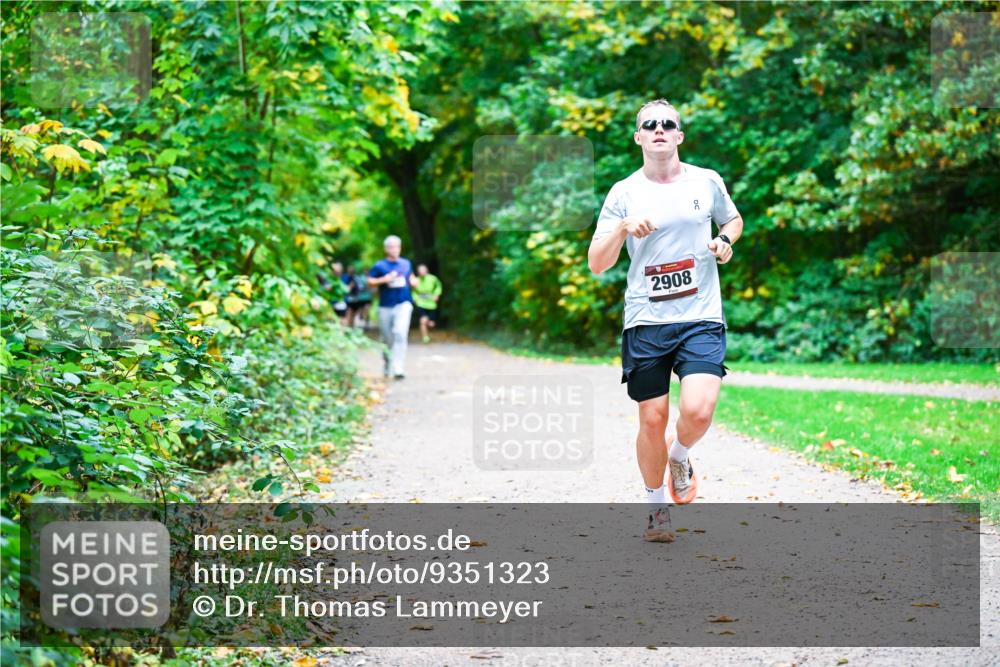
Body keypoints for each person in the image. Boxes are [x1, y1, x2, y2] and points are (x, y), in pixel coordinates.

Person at [587, 98, 744, 542]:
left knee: (697, 410)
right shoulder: (623, 193)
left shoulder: (706, 181)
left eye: (667, 124)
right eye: (649, 124)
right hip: (646, 319)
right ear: (638, 137)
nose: (659, 129)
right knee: (652, 418)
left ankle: (680, 454)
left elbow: (733, 220)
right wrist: (621, 228)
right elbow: (597, 263)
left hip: (700, 315)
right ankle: (656, 506)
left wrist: (724, 240)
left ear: (679, 136)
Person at [368, 235, 418, 379]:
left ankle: (398, 368)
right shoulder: (379, 266)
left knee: (400, 334)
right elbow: (370, 281)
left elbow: (411, 277)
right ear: (386, 249)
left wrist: (415, 282)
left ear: (400, 248)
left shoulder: (406, 263)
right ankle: (387, 363)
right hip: (385, 305)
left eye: (397, 246)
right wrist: (384, 279)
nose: (394, 249)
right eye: (391, 247)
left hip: (403, 303)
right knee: (387, 338)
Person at [413, 264, 443, 343]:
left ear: (427, 271)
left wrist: (437, 294)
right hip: (421, 303)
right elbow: (413, 291)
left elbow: (438, 286)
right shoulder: (416, 280)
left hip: (431, 304)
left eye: (423, 270)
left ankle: (429, 327)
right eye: (420, 271)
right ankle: (425, 337)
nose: (422, 272)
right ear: (418, 272)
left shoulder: (433, 279)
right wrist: (415, 298)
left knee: (431, 324)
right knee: (423, 321)